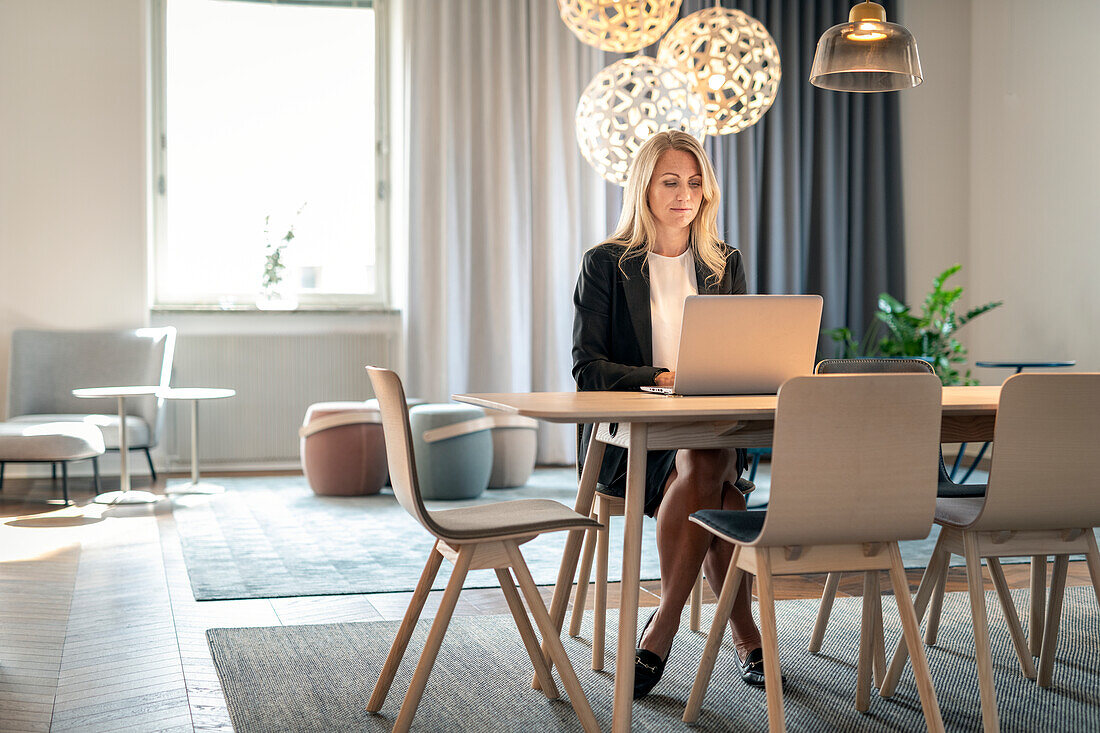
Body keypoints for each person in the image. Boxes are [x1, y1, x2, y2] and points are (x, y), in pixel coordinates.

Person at [572, 130, 765, 699]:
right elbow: (588, 369)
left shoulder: (722, 263)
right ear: (645, 189)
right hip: (634, 443)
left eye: (695, 181)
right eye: (671, 181)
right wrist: (661, 379)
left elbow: (741, 355)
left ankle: (661, 630)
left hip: (712, 433)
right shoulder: (606, 264)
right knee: (723, 495)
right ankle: (745, 634)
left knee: (707, 456)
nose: (685, 193)